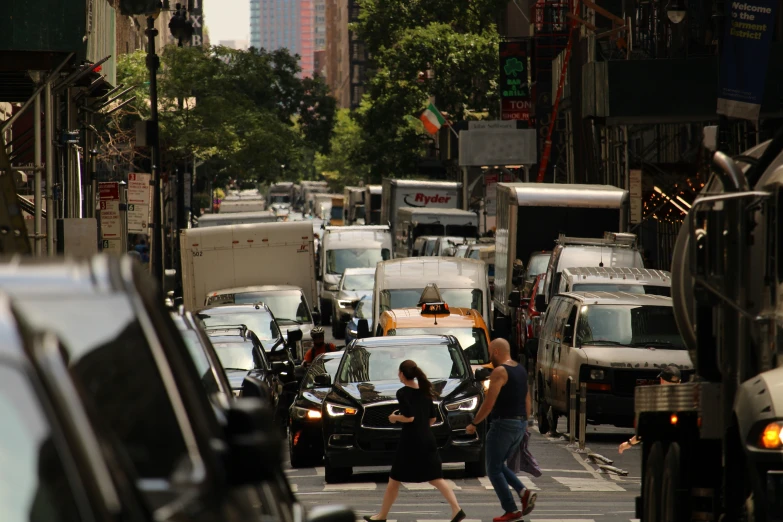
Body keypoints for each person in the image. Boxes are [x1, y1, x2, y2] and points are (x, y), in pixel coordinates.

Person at [364, 360, 466, 522]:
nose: (398, 375)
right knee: (435, 477)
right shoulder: (425, 391)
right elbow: (432, 419)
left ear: (403, 375)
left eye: (399, 372)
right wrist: (421, 427)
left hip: (410, 441)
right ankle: (456, 509)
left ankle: (382, 516)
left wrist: (394, 417)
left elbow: (409, 417)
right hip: (427, 438)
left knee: (394, 479)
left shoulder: (403, 393)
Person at [466, 338, 535, 522]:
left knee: (493, 469)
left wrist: (474, 422)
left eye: (490, 352)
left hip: (503, 423)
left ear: (496, 351)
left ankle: (511, 509)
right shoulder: (520, 370)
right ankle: (523, 492)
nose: (489, 356)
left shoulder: (500, 371)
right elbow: (527, 399)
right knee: (498, 465)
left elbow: (490, 402)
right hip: (519, 424)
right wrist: (525, 422)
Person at [618, 365, 682, 454]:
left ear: (662, 380)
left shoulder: (657, 402)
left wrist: (628, 443)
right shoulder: (688, 399)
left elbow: (645, 430)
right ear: (679, 381)